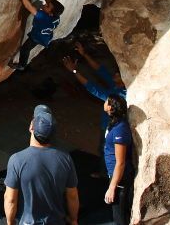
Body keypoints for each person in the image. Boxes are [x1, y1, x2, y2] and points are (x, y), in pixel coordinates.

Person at [4, 105, 79, 225]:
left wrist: (10, 222)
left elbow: (10, 199)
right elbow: (72, 196)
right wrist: (74, 220)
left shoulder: (16, 160)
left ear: (31, 127)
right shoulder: (65, 159)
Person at [61, 40, 127, 176]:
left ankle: (109, 176)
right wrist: (84, 54)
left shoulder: (118, 95)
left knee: (108, 151)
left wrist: (74, 70)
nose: (114, 74)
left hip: (112, 127)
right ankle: (106, 172)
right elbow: (101, 71)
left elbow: (93, 88)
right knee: (106, 150)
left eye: (117, 74)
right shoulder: (119, 85)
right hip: (111, 125)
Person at [8, 0, 65, 71]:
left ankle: (22, 65)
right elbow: (48, 0)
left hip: (38, 37)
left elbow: (27, 5)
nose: (45, 4)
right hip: (45, 36)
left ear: (50, 13)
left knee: (25, 49)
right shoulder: (55, 15)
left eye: (47, 6)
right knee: (27, 46)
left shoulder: (43, 17)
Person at [103, 95, 135, 225]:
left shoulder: (120, 130)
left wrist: (112, 187)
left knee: (120, 216)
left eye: (106, 101)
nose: (104, 102)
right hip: (115, 175)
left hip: (120, 178)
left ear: (110, 106)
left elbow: (120, 162)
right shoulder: (115, 122)